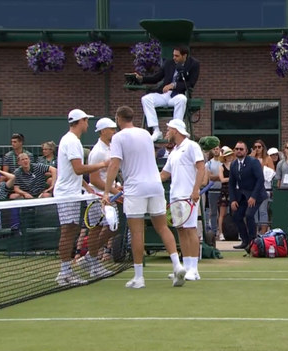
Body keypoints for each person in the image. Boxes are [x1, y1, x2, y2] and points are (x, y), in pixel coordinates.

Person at [104, 106, 186, 288]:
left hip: (135, 188)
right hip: (155, 185)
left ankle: (139, 277)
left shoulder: (118, 137)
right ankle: (177, 265)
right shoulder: (145, 135)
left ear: (118, 119)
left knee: (137, 232)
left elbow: (114, 164)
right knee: (162, 227)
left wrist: (106, 191)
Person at [54, 109, 108, 287]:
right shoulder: (72, 141)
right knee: (68, 231)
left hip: (72, 192)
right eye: (86, 120)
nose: (88, 124)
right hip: (67, 194)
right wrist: (101, 164)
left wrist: (86, 188)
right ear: (81, 121)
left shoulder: (71, 140)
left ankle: (66, 271)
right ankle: (65, 273)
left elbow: (72, 171)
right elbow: (78, 169)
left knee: (71, 230)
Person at [161, 119, 205, 281]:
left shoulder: (192, 146)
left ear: (176, 131)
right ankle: (185, 267)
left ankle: (194, 269)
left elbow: (201, 167)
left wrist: (195, 190)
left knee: (190, 229)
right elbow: (164, 174)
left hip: (189, 196)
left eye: (168, 129)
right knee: (180, 230)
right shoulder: (173, 152)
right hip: (175, 197)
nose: (166, 132)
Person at [134, 45, 200, 142]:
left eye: (177, 56)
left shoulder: (194, 64)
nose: (174, 58)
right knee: (146, 99)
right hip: (164, 94)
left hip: (178, 94)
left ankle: (176, 129)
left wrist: (174, 85)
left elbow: (191, 83)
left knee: (182, 99)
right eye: (173, 55)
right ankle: (156, 130)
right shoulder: (169, 63)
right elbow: (156, 78)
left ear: (184, 55)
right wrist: (141, 78)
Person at [82, 117, 121, 279]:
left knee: (114, 228)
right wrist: (112, 191)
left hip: (109, 194)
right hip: (98, 197)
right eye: (111, 129)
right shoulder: (97, 152)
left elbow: (109, 174)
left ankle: (89, 258)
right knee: (96, 230)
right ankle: (93, 262)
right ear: (103, 131)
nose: (114, 131)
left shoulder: (111, 147)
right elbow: (95, 179)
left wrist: (116, 188)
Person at [228, 141, 267, 249]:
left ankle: (253, 242)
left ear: (246, 151)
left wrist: (253, 196)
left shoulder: (253, 162)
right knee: (236, 216)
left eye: (241, 149)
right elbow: (231, 183)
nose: (239, 151)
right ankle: (245, 241)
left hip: (256, 194)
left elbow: (260, 179)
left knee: (249, 215)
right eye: (237, 149)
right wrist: (233, 200)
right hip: (242, 195)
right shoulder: (234, 164)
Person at [217, 146, 234, 240]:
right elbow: (222, 179)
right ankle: (221, 233)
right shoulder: (221, 167)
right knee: (222, 213)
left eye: (231, 155)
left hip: (234, 191)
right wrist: (232, 179)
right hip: (224, 191)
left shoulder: (235, 165)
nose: (230, 157)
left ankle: (237, 232)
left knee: (235, 212)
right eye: (227, 155)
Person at [205, 145, 222, 235]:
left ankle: (222, 231)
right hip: (212, 190)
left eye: (217, 149)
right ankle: (214, 231)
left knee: (223, 213)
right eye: (214, 149)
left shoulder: (223, 162)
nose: (216, 151)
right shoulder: (209, 163)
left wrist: (218, 177)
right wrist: (220, 177)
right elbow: (209, 177)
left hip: (223, 190)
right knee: (213, 211)